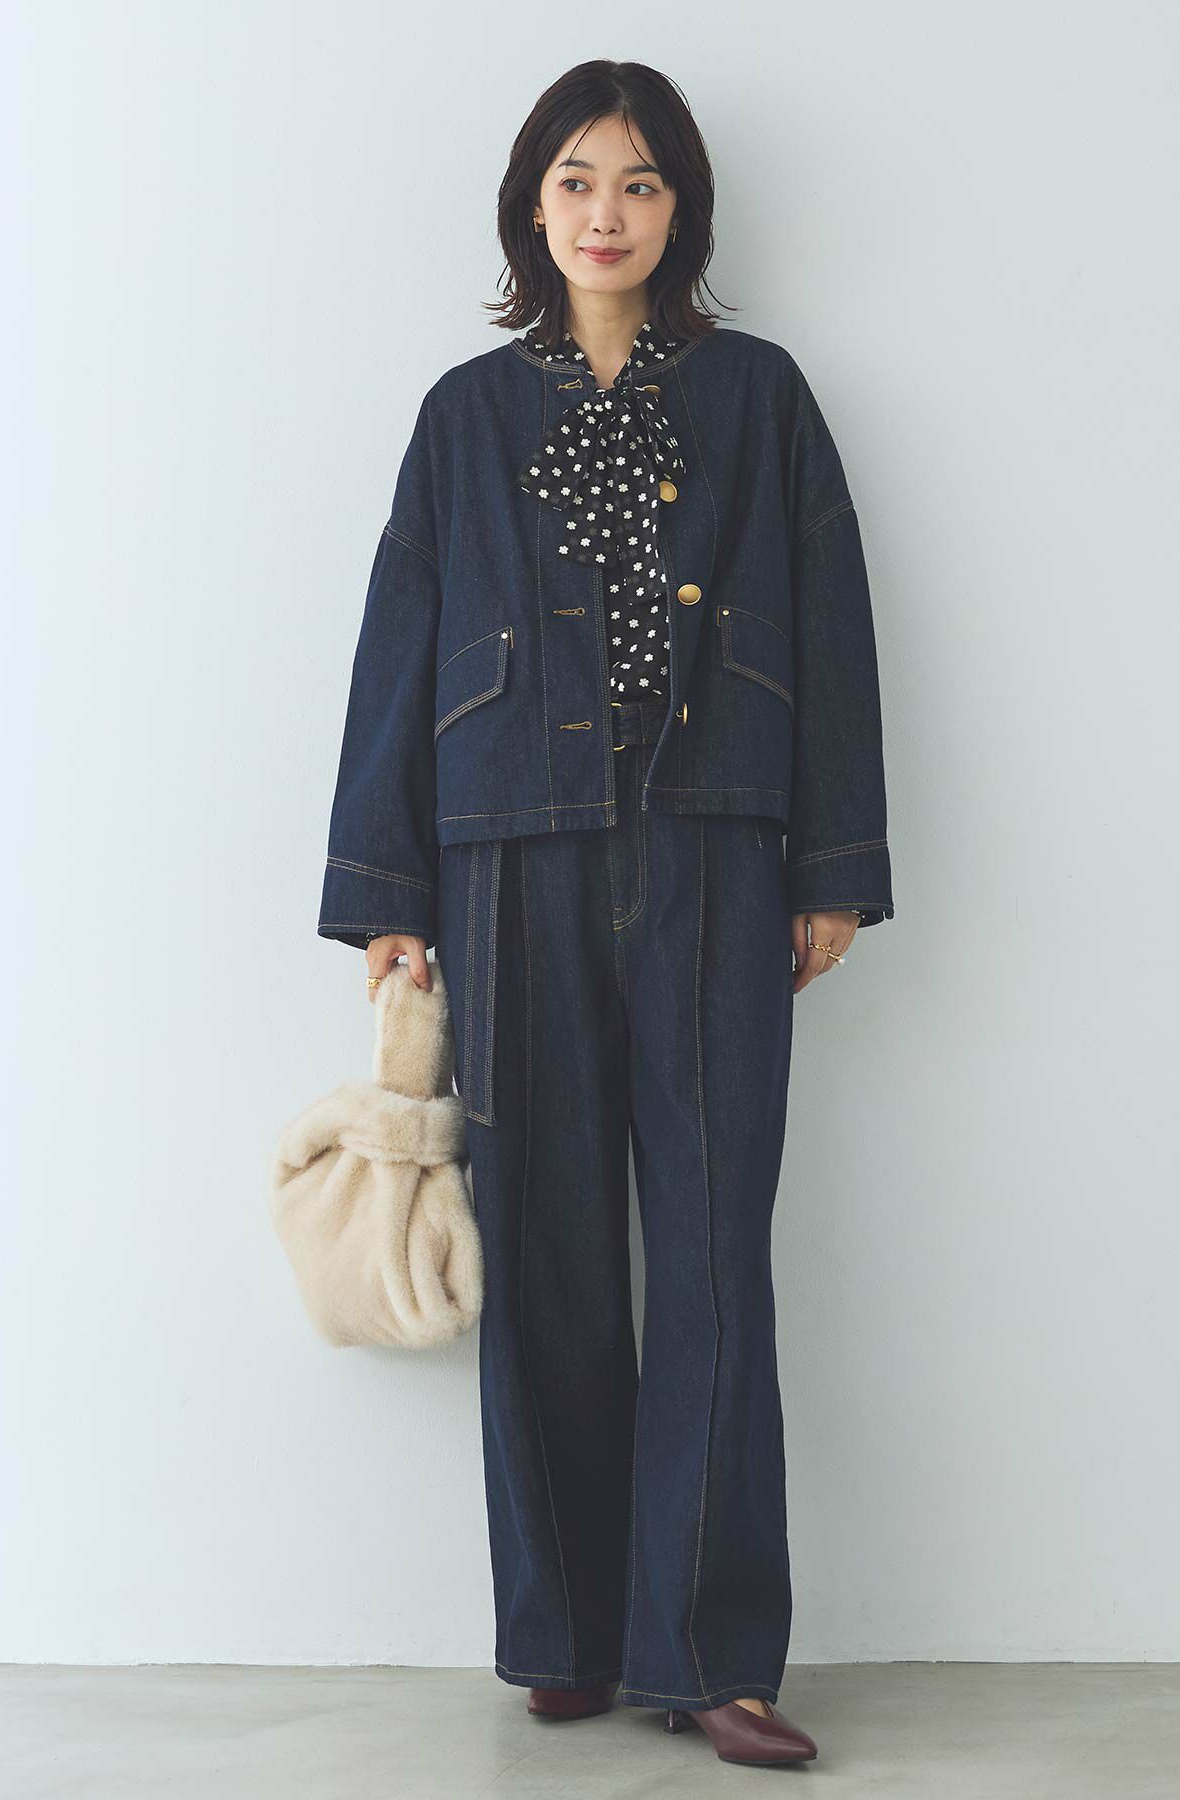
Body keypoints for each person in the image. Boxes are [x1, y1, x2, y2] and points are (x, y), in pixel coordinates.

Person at [317, 59, 895, 1770]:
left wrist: (833, 864)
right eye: (576, 180)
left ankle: (712, 1654)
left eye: (640, 183)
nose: (606, 212)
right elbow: (400, 640)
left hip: (718, 848)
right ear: (532, 205)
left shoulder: (761, 398)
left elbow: (834, 620)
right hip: (511, 852)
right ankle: (565, 1630)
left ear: (681, 211)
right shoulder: (465, 416)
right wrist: (385, 889)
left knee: (713, 1250)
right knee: (549, 1247)